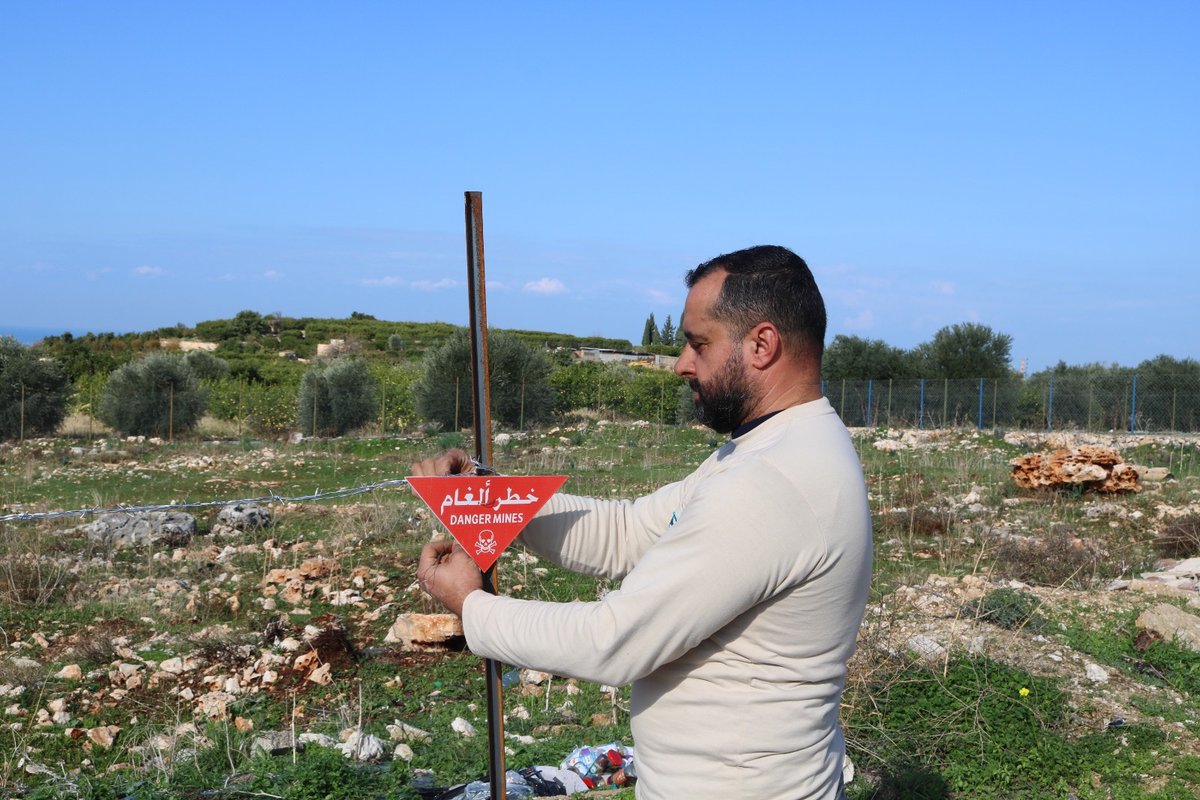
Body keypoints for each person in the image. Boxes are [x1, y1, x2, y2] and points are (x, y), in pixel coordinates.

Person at [413, 244, 872, 800]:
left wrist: (473, 607)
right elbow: (629, 531)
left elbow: (616, 641)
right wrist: (494, 500)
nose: (681, 363)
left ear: (763, 344)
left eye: (698, 343)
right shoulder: (773, 447)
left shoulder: (772, 482)